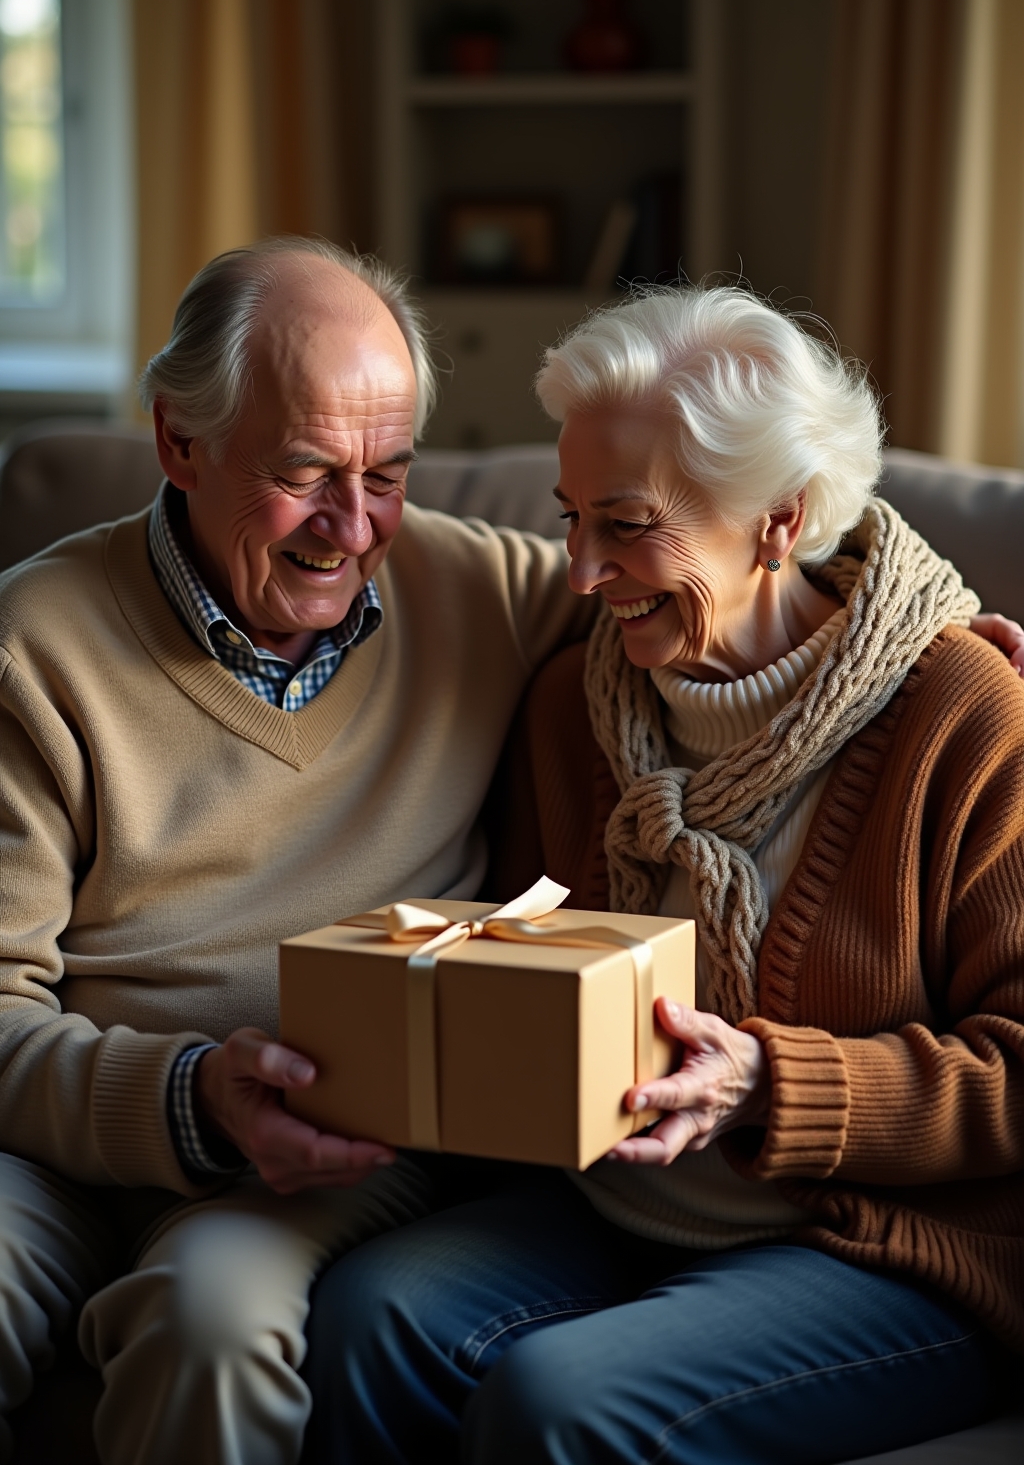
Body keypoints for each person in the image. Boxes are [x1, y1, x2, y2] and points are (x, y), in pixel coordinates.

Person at [303, 286, 1024, 1465]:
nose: (581, 573)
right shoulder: (571, 707)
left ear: (779, 522)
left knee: (563, 1398)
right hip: (607, 1204)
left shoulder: (961, 714)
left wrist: (763, 1085)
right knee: (373, 1313)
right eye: (569, 518)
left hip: (872, 1246)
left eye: (626, 527)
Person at [0, 237, 594, 1465]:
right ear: (178, 440)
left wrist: (929, 625)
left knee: (208, 1324)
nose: (353, 525)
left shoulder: (472, 584)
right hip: (54, 1143)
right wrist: (189, 1094)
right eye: (306, 472)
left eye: (387, 473)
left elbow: (714, 564)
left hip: (329, 1143)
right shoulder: (31, 650)